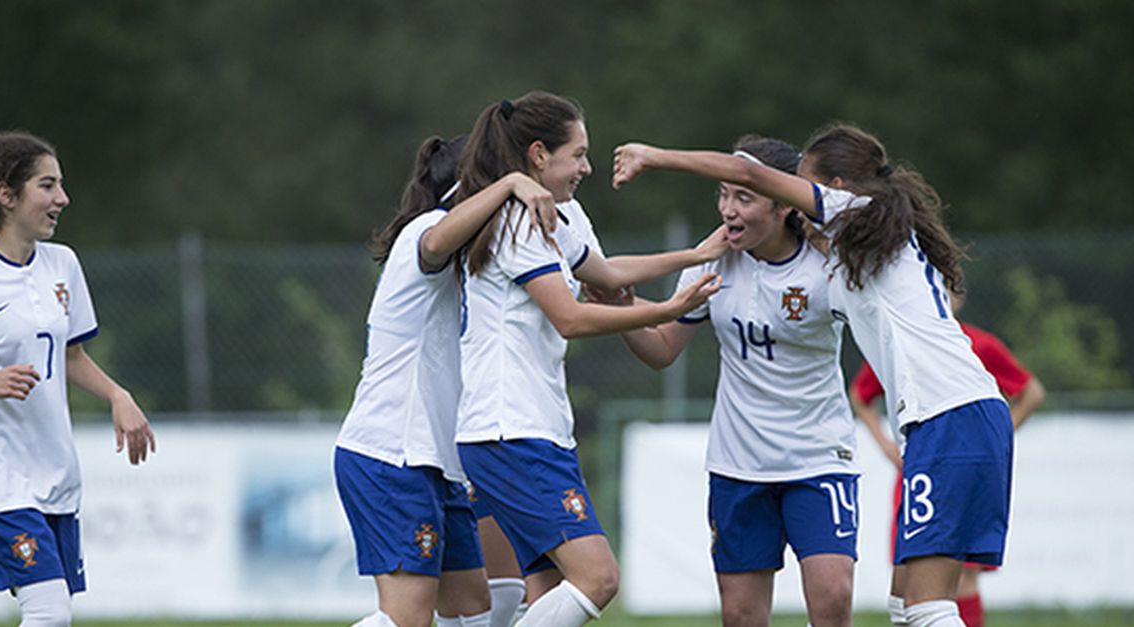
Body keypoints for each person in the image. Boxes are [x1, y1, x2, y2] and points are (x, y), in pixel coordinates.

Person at [613, 123, 1014, 627]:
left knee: (927, 608)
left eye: (801, 188)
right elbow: (667, 335)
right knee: (906, 605)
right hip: (948, 419)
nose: (799, 203)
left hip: (948, 418)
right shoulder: (859, 249)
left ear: (836, 191)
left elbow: (745, 169)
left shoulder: (856, 217)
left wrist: (653, 155)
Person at [454, 90, 725, 627]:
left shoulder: (561, 214)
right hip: (512, 430)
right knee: (598, 579)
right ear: (538, 154)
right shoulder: (517, 220)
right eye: (577, 154)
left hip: (531, 428)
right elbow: (571, 318)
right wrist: (667, 309)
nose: (587, 167)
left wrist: (695, 255)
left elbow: (604, 274)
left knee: (551, 591)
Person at [591, 135, 859, 627]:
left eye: (743, 196)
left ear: (782, 205)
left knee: (833, 597)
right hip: (738, 464)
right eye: (722, 194)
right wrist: (621, 308)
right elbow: (662, 350)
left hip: (818, 458)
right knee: (739, 615)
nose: (728, 210)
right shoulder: (712, 260)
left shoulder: (826, 267)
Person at [333, 133, 560, 627]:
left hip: (435, 464)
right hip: (393, 455)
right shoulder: (428, 228)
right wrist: (512, 184)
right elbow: (436, 242)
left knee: (477, 611)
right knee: (407, 621)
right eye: (502, 182)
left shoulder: (476, 258)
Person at [0, 131, 156, 627]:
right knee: (49, 611)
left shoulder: (63, 264)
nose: (63, 198)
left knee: (53, 612)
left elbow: (71, 356)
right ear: (6, 194)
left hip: (55, 472)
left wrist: (117, 395)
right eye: (48, 185)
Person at [850, 288, 1045, 627]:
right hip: (918, 469)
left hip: (960, 467)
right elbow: (860, 393)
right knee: (905, 586)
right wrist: (885, 444)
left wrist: (993, 438)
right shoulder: (904, 342)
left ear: (959, 296)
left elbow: (1031, 393)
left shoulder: (977, 345)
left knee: (957, 581)